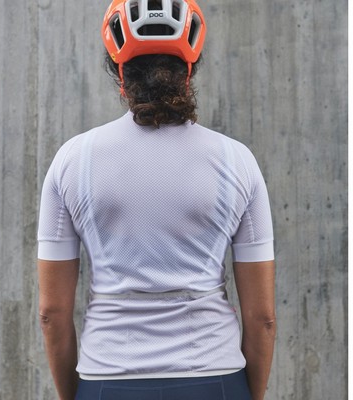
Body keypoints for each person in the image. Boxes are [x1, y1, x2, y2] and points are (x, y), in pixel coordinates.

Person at [37, 0, 276, 399]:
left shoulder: (73, 160)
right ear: (189, 71)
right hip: (215, 378)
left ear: (120, 74)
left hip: (106, 379)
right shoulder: (237, 160)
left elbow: (52, 314)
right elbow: (263, 317)